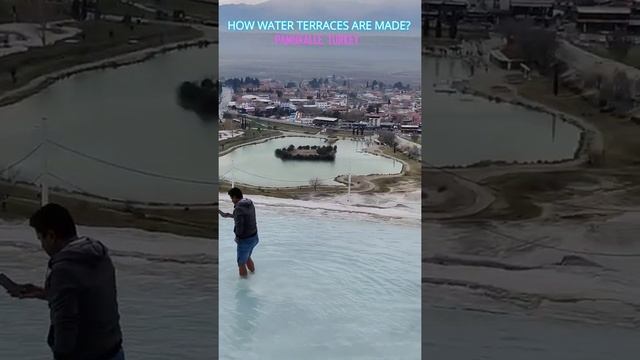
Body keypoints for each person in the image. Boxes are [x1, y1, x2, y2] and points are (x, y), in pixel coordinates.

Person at [7, 203, 124, 360]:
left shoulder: (64, 269)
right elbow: (88, 296)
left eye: (41, 238)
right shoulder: (98, 255)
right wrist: (44, 293)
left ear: (51, 235)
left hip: (86, 355)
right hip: (113, 349)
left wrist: (61, 355)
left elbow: (66, 321)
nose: (42, 245)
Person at [219, 187, 259, 278]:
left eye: (231, 198)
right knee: (247, 256)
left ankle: (243, 287)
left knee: (241, 263)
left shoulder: (238, 208)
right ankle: (254, 275)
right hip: (254, 237)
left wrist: (238, 238)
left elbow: (240, 227)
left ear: (235, 197)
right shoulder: (249, 202)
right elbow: (245, 217)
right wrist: (229, 215)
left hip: (245, 240)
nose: (232, 201)